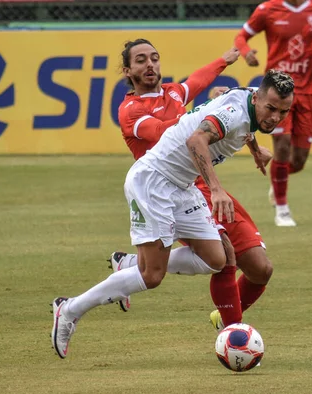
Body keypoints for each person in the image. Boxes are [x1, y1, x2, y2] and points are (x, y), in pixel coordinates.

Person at [51, 69, 295, 358]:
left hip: (181, 185)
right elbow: (196, 141)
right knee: (151, 275)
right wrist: (216, 190)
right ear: (257, 99)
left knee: (218, 259)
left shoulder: (253, 97)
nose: (275, 117)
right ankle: (69, 309)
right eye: (271, 109)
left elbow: (248, 118)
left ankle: (129, 264)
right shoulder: (235, 113)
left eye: (283, 111)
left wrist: (254, 148)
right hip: (153, 182)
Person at [111, 38, 275, 333]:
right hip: (172, 189)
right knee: (223, 257)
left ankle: (133, 264)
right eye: (141, 60)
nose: (150, 64)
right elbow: (166, 130)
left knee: (260, 268)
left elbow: (200, 79)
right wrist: (212, 107)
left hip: (203, 182)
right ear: (127, 71)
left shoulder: (174, 93)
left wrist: (225, 61)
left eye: (154, 57)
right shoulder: (130, 110)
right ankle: (233, 333)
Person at [235, 0, 312, 227]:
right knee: (282, 145)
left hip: (309, 90)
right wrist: (246, 53)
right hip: (277, 92)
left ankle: (277, 181)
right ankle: (282, 210)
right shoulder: (267, 10)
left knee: (299, 161)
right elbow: (241, 37)